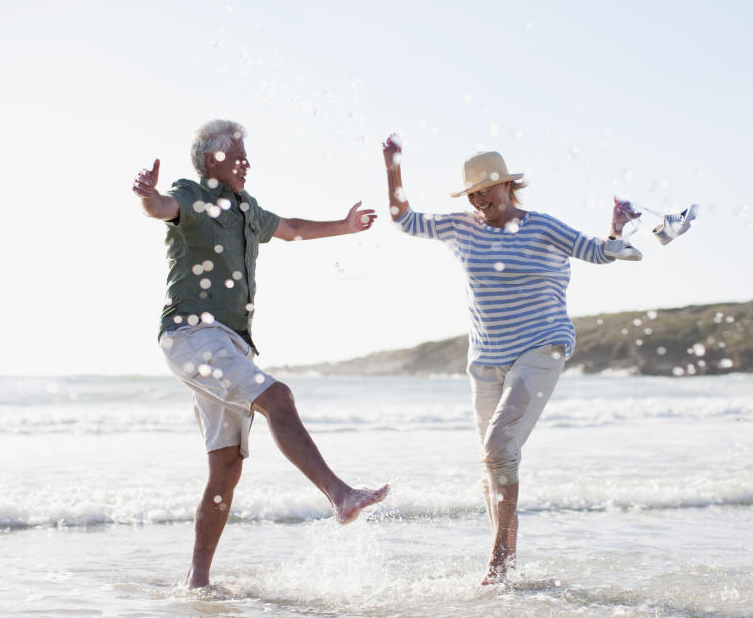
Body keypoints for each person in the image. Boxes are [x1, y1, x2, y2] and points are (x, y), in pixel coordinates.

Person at [131, 119, 389, 588]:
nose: (246, 161)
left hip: (230, 343)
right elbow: (161, 207)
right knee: (279, 397)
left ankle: (198, 579)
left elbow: (289, 227)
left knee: (226, 466)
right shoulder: (190, 195)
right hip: (192, 335)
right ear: (212, 160)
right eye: (237, 154)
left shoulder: (247, 209)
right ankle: (340, 494)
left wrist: (346, 226)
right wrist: (147, 196)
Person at [381, 136, 641, 584]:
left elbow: (599, 252)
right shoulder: (460, 227)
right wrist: (393, 167)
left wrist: (615, 228)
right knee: (493, 461)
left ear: (507, 187)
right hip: (485, 359)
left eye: (488, 189)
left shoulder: (542, 227)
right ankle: (508, 562)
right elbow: (403, 219)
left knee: (499, 448)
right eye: (474, 193)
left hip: (542, 345)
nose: (481, 199)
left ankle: (498, 562)